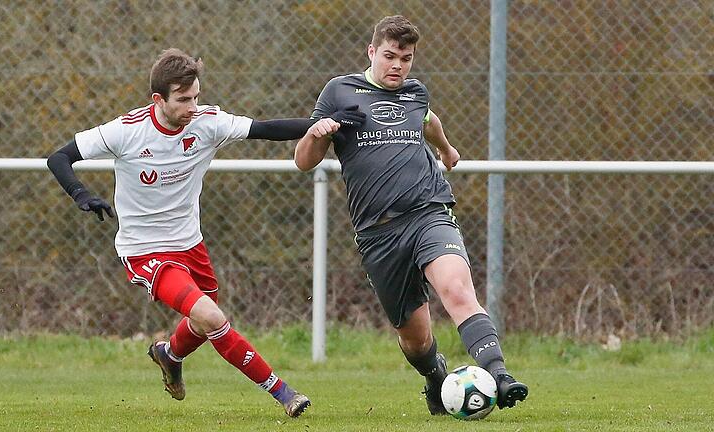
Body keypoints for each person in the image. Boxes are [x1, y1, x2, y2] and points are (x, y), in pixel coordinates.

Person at [47, 48, 364, 418]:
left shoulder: (206, 122)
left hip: (190, 244)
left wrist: (323, 122)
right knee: (212, 317)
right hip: (145, 251)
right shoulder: (126, 131)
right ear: (158, 99)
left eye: (196, 96)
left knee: (202, 318)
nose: (192, 106)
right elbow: (59, 158)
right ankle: (284, 393)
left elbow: (265, 129)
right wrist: (82, 194)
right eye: (183, 100)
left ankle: (169, 354)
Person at [294, 16, 528, 415]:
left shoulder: (414, 93)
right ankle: (434, 376)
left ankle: (499, 376)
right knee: (416, 340)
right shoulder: (340, 91)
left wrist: (447, 150)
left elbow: (428, 119)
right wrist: (317, 134)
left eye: (406, 58)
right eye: (389, 56)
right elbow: (303, 162)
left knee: (457, 290)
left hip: (427, 212)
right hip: (378, 233)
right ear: (371, 52)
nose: (397, 66)